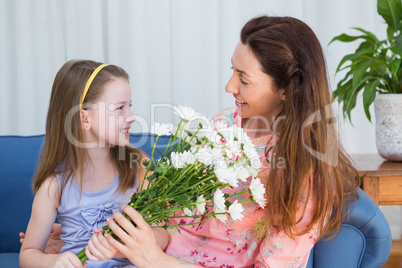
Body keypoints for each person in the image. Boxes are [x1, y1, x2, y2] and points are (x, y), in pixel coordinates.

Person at [22, 15, 360, 267]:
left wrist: (154, 258)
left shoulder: (306, 173)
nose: (229, 86)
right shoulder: (224, 122)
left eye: (243, 78)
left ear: (286, 90)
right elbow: (173, 216)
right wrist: (100, 243)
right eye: (232, 70)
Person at [19, 60, 169, 268]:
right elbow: (28, 253)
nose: (131, 117)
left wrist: (121, 247)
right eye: (120, 108)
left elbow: (162, 233)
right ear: (85, 118)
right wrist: (53, 261)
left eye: (130, 106)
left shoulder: (138, 165)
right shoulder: (54, 187)